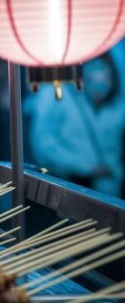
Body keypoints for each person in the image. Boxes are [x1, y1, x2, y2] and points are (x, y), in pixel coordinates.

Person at [30, 53, 125, 197]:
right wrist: (88, 167)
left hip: (111, 190)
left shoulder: (117, 103)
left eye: (105, 69)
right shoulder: (56, 92)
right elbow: (45, 143)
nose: (102, 74)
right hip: (67, 186)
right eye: (95, 68)